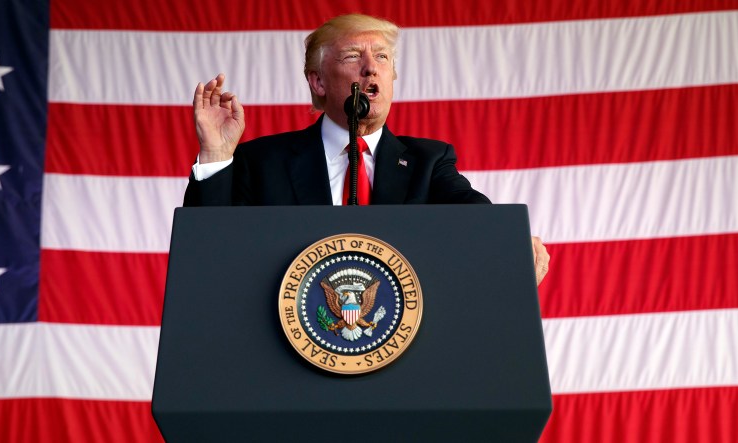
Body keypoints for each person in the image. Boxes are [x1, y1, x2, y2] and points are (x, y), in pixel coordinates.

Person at [184, 13, 549, 285]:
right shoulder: (263, 162)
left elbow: (475, 218)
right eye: (353, 57)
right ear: (318, 81)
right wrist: (216, 153)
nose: (371, 69)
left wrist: (510, 239)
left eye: (383, 59)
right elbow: (210, 255)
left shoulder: (428, 162)